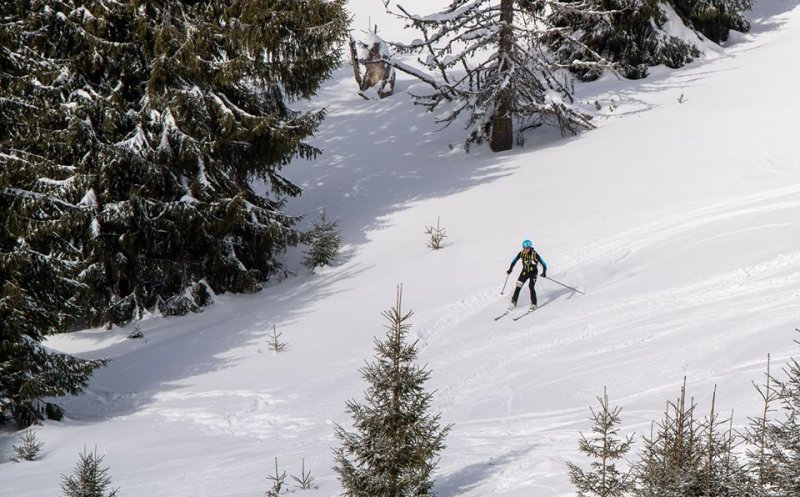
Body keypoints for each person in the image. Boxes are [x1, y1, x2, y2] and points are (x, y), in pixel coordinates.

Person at [507, 239, 547, 310]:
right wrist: (510, 269)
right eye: (524, 248)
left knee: (531, 286)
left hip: (533, 273)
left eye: (527, 248)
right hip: (524, 272)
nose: (525, 250)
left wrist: (544, 272)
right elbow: (514, 261)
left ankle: (534, 304)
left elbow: (544, 264)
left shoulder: (534, 254)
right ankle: (514, 302)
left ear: (530, 247)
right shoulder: (521, 253)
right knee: (518, 287)